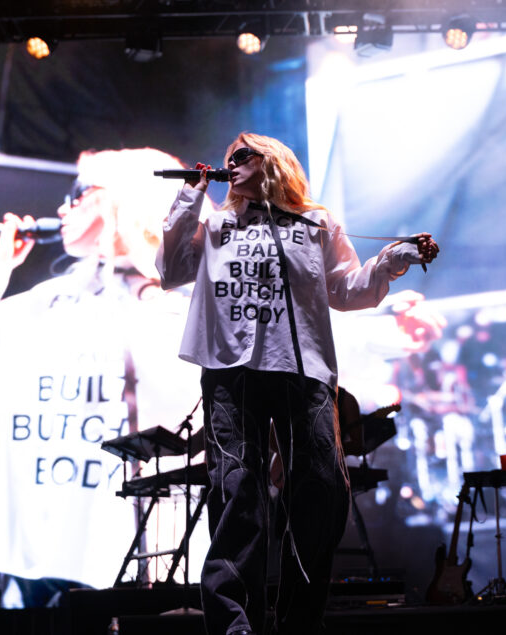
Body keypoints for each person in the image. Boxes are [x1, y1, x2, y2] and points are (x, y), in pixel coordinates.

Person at [157, 132, 439, 635]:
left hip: (301, 368)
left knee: (320, 491)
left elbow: (347, 290)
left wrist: (394, 258)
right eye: (227, 159)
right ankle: (234, 625)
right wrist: (188, 198)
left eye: (242, 155)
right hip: (230, 371)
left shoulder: (315, 223)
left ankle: (299, 621)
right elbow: (172, 269)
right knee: (236, 490)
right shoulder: (216, 224)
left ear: (273, 162)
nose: (231, 164)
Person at [0, 148, 207, 606]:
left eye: (81, 193)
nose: (63, 207)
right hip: (36, 568)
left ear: (129, 198)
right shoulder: (41, 306)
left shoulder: (182, 311)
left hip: (144, 566)